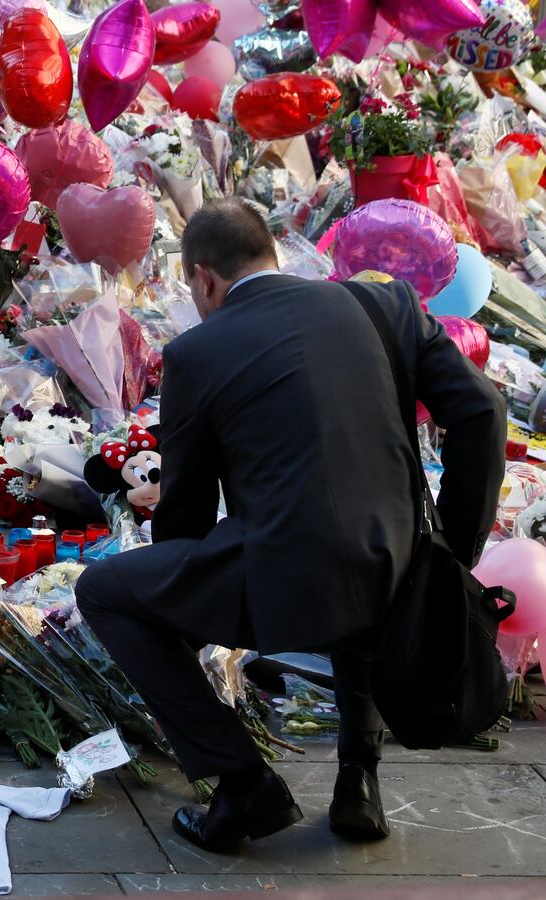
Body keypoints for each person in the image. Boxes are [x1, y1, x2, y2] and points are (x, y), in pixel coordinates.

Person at [75, 199, 506, 854]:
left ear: (204, 278)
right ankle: (357, 780)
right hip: (395, 572)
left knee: (106, 593)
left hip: (289, 583)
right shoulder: (383, 306)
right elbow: (482, 410)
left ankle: (242, 781)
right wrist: (453, 550)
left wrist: (181, 607)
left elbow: (185, 514)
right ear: (272, 255)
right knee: (354, 550)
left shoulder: (199, 350)